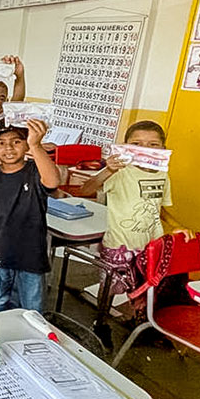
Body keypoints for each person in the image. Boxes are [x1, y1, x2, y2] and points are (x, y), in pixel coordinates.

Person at [78, 120, 191, 296]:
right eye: (136, 144)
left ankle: (134, 317)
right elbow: (86, 190)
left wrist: (176, 225)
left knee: (144, 288)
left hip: (151, 246)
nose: (144, 149)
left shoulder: (163, 175)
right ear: (125, 147)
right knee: (111, 287)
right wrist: (108, 170)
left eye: (153, 145)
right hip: (119, 246)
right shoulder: (120, 172)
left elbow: (156, 207)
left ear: (163, 149)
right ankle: (100, 320)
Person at [0, 119, 60, 312]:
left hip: (31, 255)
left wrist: (36, 145)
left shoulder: (35, 171)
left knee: (32, 308)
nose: (8, 147)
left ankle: (32, 341)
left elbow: (52, 182)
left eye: (17, 141)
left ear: (27, 143)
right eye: (0, 143)